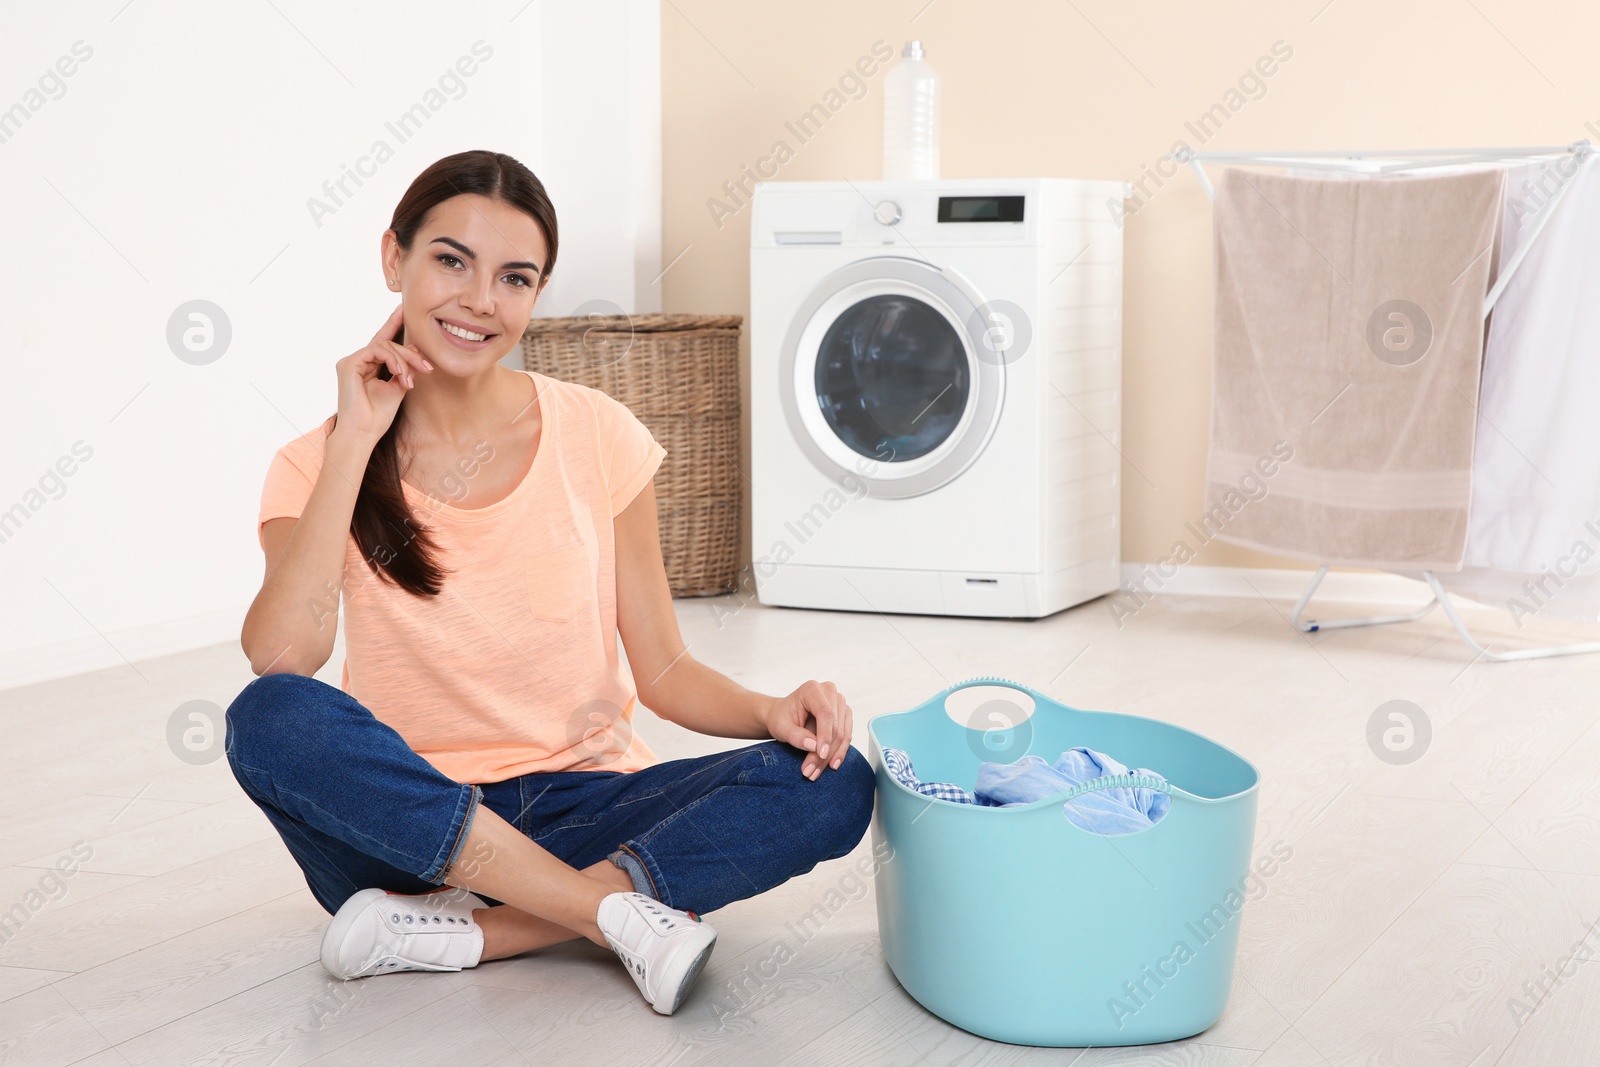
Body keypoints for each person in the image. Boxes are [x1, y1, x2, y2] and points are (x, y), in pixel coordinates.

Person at [228, 149, 875, 1017]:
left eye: (514, 278)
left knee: (834, 781)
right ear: (395, 259)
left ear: (536, 295)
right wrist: (354, 439)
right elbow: (282, 652)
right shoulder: (314, 462)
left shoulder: (597, 431)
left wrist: (771, 712)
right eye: (450, 260)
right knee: (266, 715)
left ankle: (480, 932)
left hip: (584, 800)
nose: (479, 300)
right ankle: (613, 911)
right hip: (412, 827)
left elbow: (666, 669)